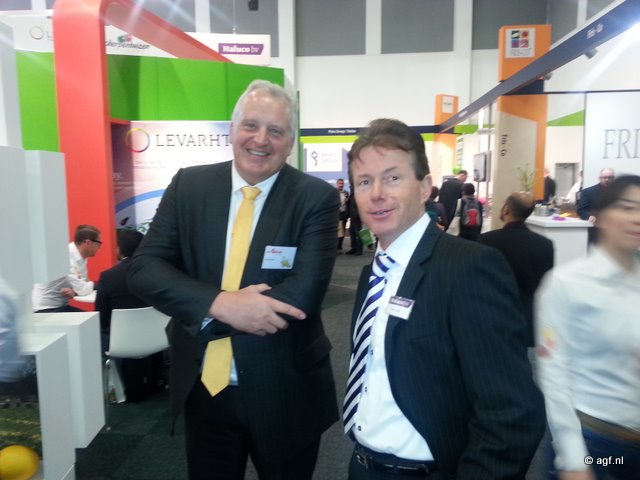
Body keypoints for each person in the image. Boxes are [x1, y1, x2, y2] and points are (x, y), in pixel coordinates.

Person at [128, 80, 340, 480]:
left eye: (275, 131)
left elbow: (303, 294)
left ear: (290, 142)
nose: (261, 140)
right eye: (251, 125)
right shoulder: (189, 185)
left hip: (285, 390)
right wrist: (220, 304)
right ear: (232, 129)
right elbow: (144, 268)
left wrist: (207, 313)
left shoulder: (315, 197)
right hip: (205, 388)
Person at [344, 118, 546, 480]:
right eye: (364, 181)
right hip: (362, 465)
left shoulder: (468, 268)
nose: (376, 193)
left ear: (424, 187)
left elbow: (511, 413)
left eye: (392, 177)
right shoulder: (371, 274)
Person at [536, 175, 640, 480]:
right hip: (596, 446)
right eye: (627, 208)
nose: (637, 218)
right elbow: (554, 374)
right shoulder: (568, 283)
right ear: (601, 218)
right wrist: (574, 459)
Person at [479, 192, 554, 347]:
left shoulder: (486, 240)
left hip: (492, 316)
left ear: (506, 209)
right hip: (527, 320)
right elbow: (545, 284)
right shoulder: (544, 245)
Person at [95, 229, 148, 353]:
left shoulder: (107, 277)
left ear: (118, 249)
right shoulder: (158, 274)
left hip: (119, 342)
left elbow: (102, 317)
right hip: (156, 340)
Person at [32, 224, 101, 312]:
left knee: (92, 317)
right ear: (87, 243)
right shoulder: (66, 257)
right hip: (44, 308)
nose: (99, 247)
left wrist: (76, 291)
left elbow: (84, 283)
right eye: (98, 244)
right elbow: (83, 289)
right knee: (92, 319)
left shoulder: (81, 257)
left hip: (59, 305)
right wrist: (101, 283)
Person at [577, 167, 614, 244]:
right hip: (594, 231)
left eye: (609, 177)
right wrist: (589, 216)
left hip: (614, 232)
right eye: (604, 177)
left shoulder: (620, 193)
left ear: (613, 178)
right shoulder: (588, 192)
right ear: (599, 178)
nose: (607, 180)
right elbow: (581, 209)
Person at [346, 185, 363, 256]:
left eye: (351, 187)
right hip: (352, 216)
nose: (350, 188)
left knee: (358, 233)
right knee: (352, 232)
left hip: (358, 217)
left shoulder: (359, 194)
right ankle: (354, 248)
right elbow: (349, 205)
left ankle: (359, 250)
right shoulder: (352, 195)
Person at [337, 178, 350, 251]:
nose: (341, 185)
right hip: (337, 214)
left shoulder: (346, 193)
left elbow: (348, 203)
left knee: (343, 231)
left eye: (342, 184)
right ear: (337, 184)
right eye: (339, 183)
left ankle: (339, 246)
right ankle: (336, 247)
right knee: (338, 231)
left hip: (344, 214)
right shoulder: (334, 192)